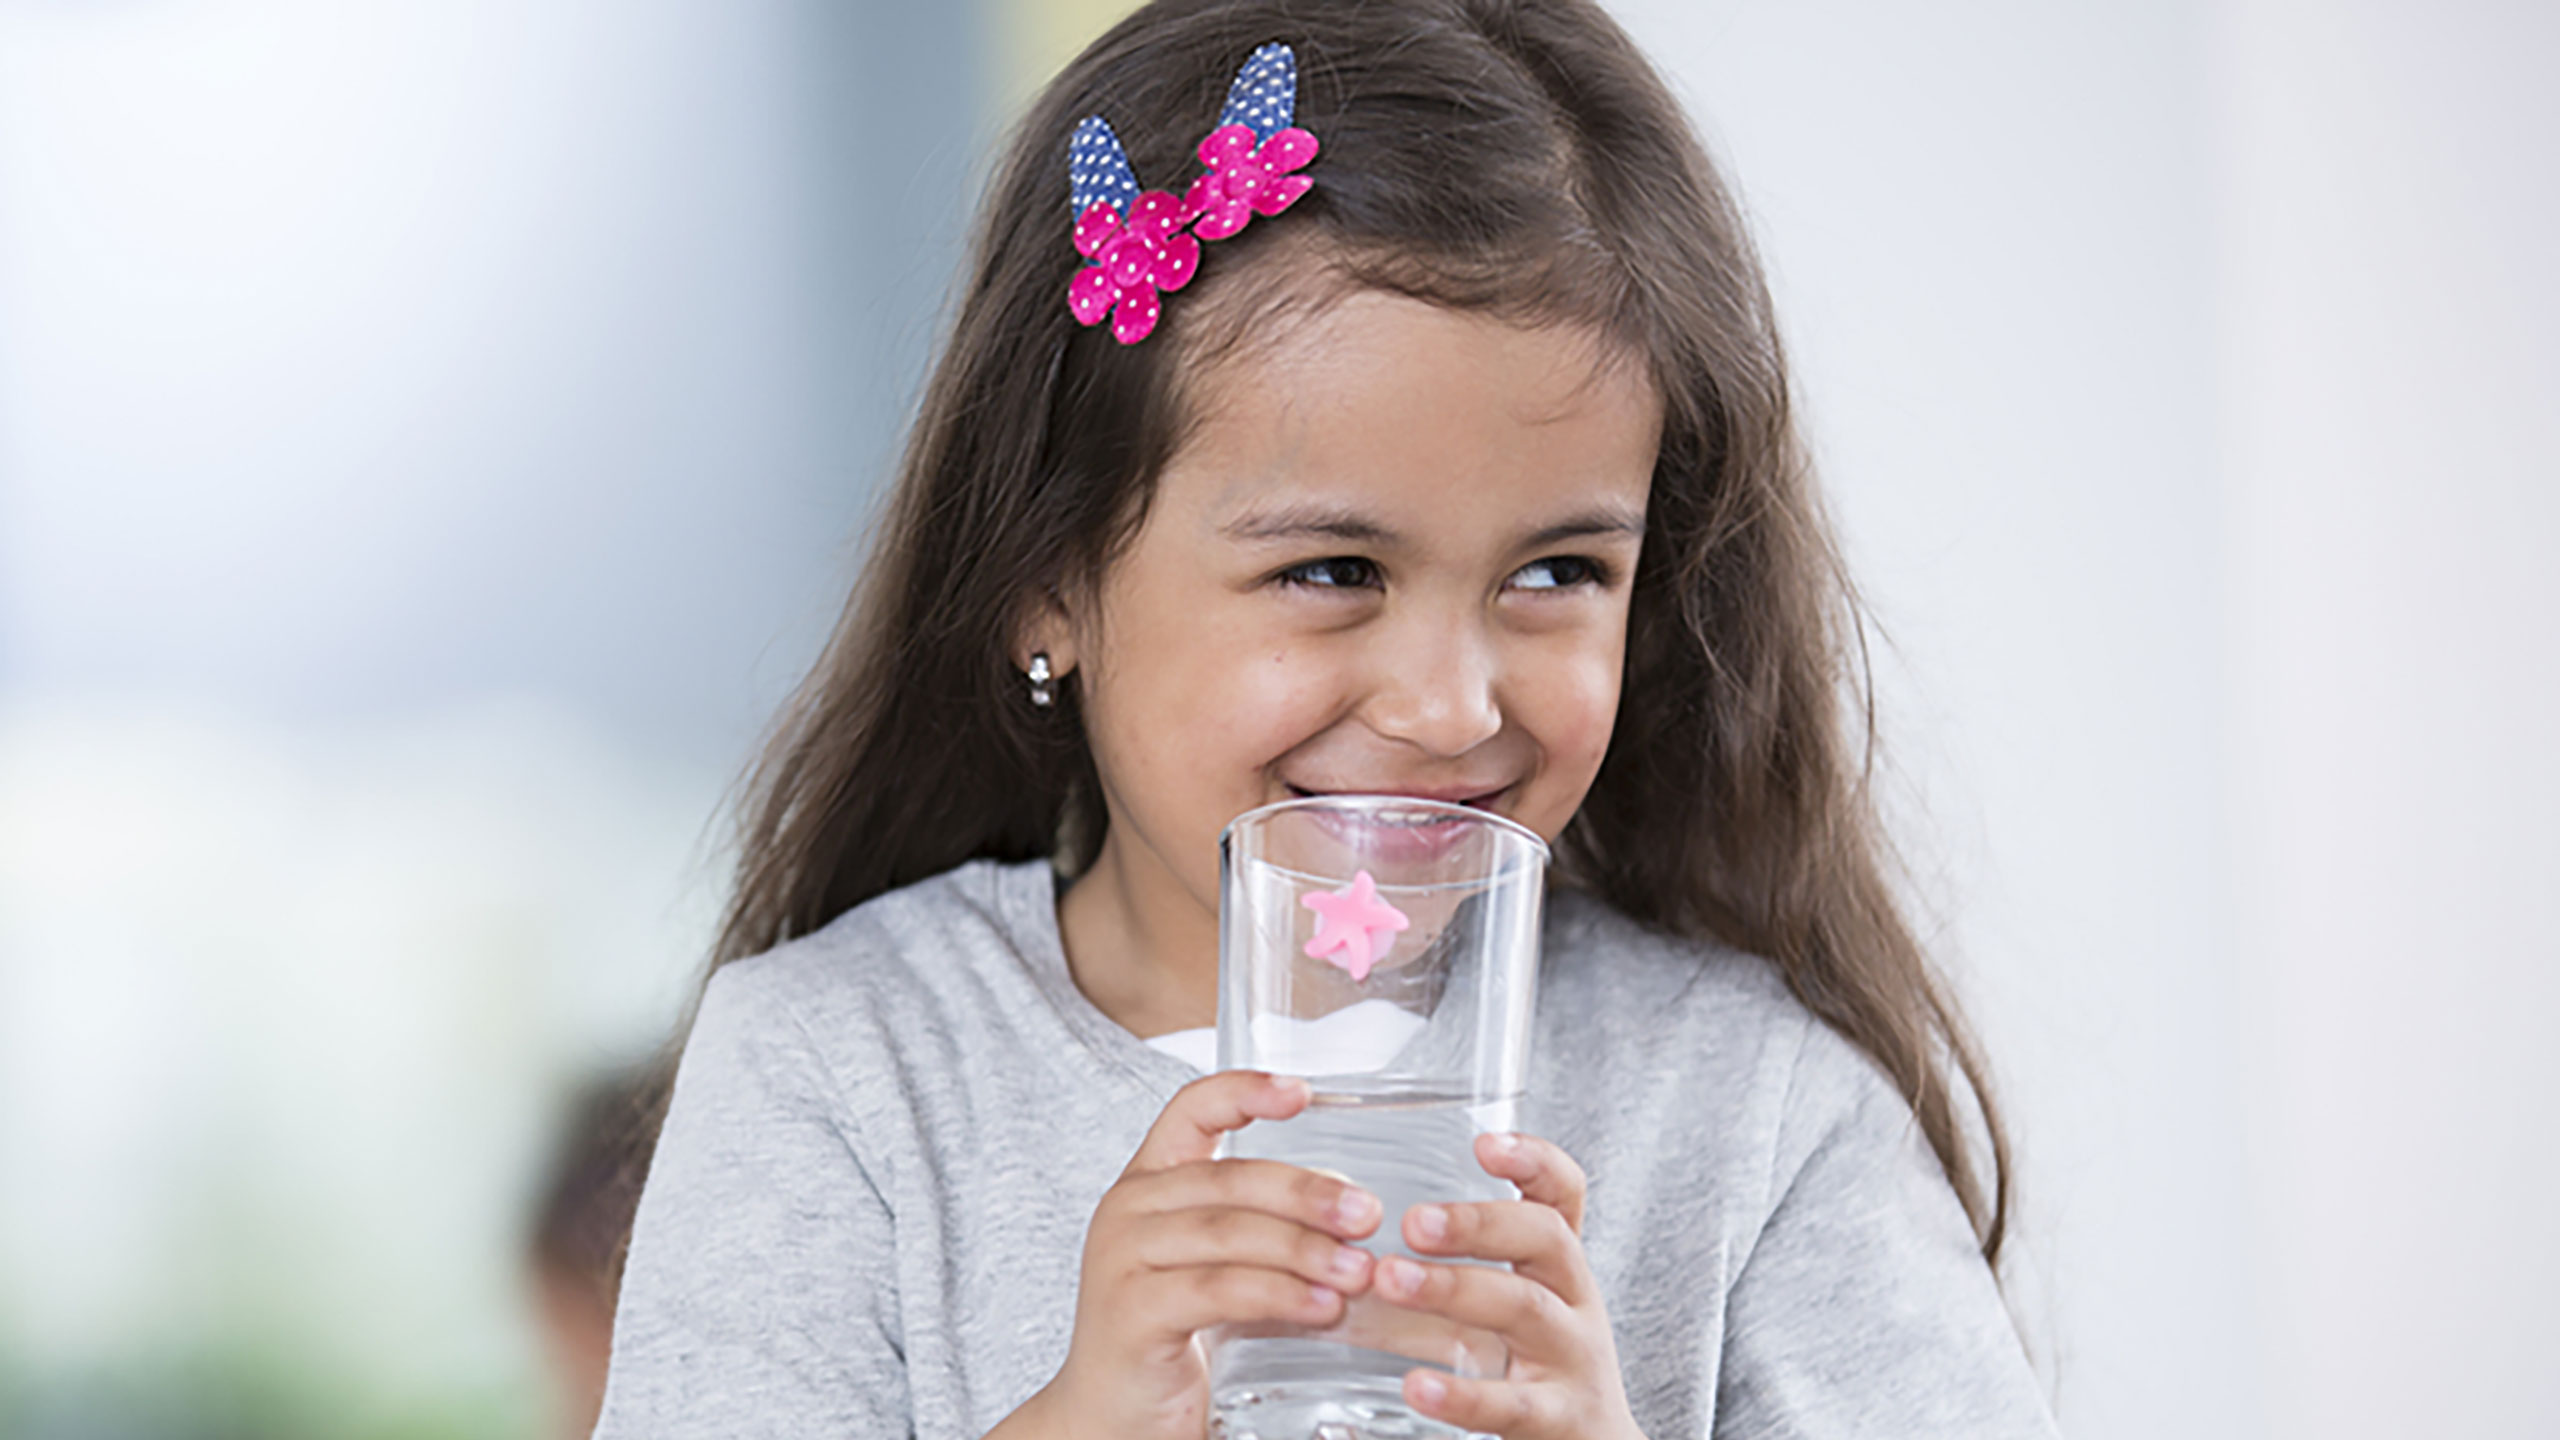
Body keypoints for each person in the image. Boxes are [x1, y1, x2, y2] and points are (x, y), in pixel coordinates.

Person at [595, 1, 2056, 1437]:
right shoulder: (843, 1071)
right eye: (1331, 571)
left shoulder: (1754, 1108)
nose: (1446, 708)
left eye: (1557, 572)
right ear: (1047, 582)